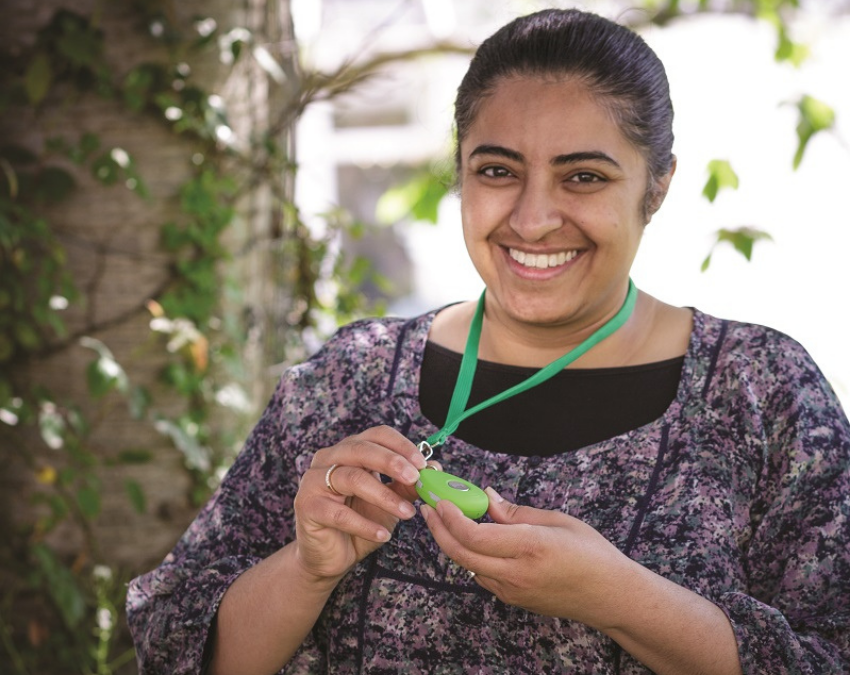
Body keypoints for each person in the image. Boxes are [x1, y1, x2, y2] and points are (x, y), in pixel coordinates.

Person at [126, 9, 850, 674]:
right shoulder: (350, 379)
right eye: (498, 170)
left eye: (584, 176)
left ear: (655, 187)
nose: (533, 220)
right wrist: (305, 566)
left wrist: (621, 597)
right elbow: (175, 646)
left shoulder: (762, 390)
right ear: (461, 173)